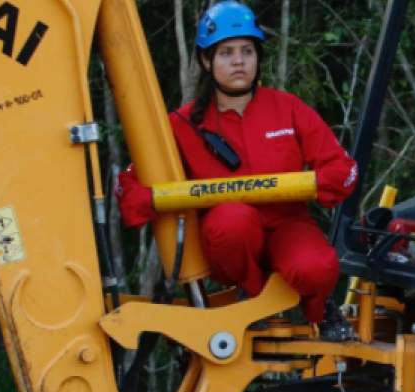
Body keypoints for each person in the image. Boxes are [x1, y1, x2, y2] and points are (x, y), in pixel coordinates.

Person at [116, 0, 358, 341]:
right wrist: (150, 200)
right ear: (206, 60)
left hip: (287, 224)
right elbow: (129, 184)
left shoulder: (287, 108)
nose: (239, 61)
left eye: (247, 50)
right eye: (227, 53)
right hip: (229, 237)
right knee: (233, 219)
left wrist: (324, 181)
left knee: (316, 267)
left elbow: (341, 167)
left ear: (258, 57)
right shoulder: (182, 125)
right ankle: (253, 298)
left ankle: (320, 312)